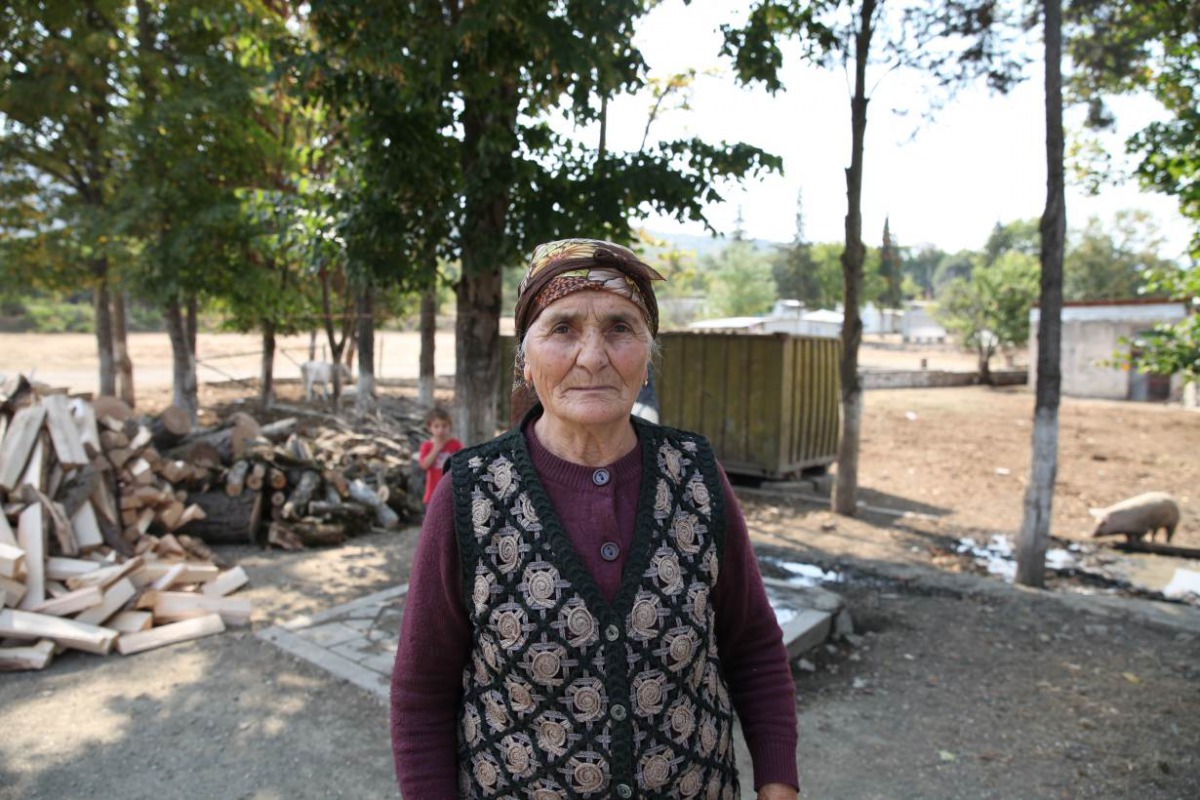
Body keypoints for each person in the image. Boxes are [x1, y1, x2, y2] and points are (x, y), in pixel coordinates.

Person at [391, 238, 800, 800]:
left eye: (619, 328)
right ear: (525, 360)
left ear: (647, 354)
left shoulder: (697, 475)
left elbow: (752, 645)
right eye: (562, 329)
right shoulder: (469, 494)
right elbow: (421, 691)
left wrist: (779, 784)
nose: (592, 356)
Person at [417, 407, 463, 505]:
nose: (440, 430)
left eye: (444, 426)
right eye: (436, 426)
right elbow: (424, 466)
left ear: (449, 426)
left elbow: (463, 462)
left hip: (452, 491)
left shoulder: (455, 444)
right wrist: (435, 449)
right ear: (430, 428)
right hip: (433, 492)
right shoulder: (427, 446)